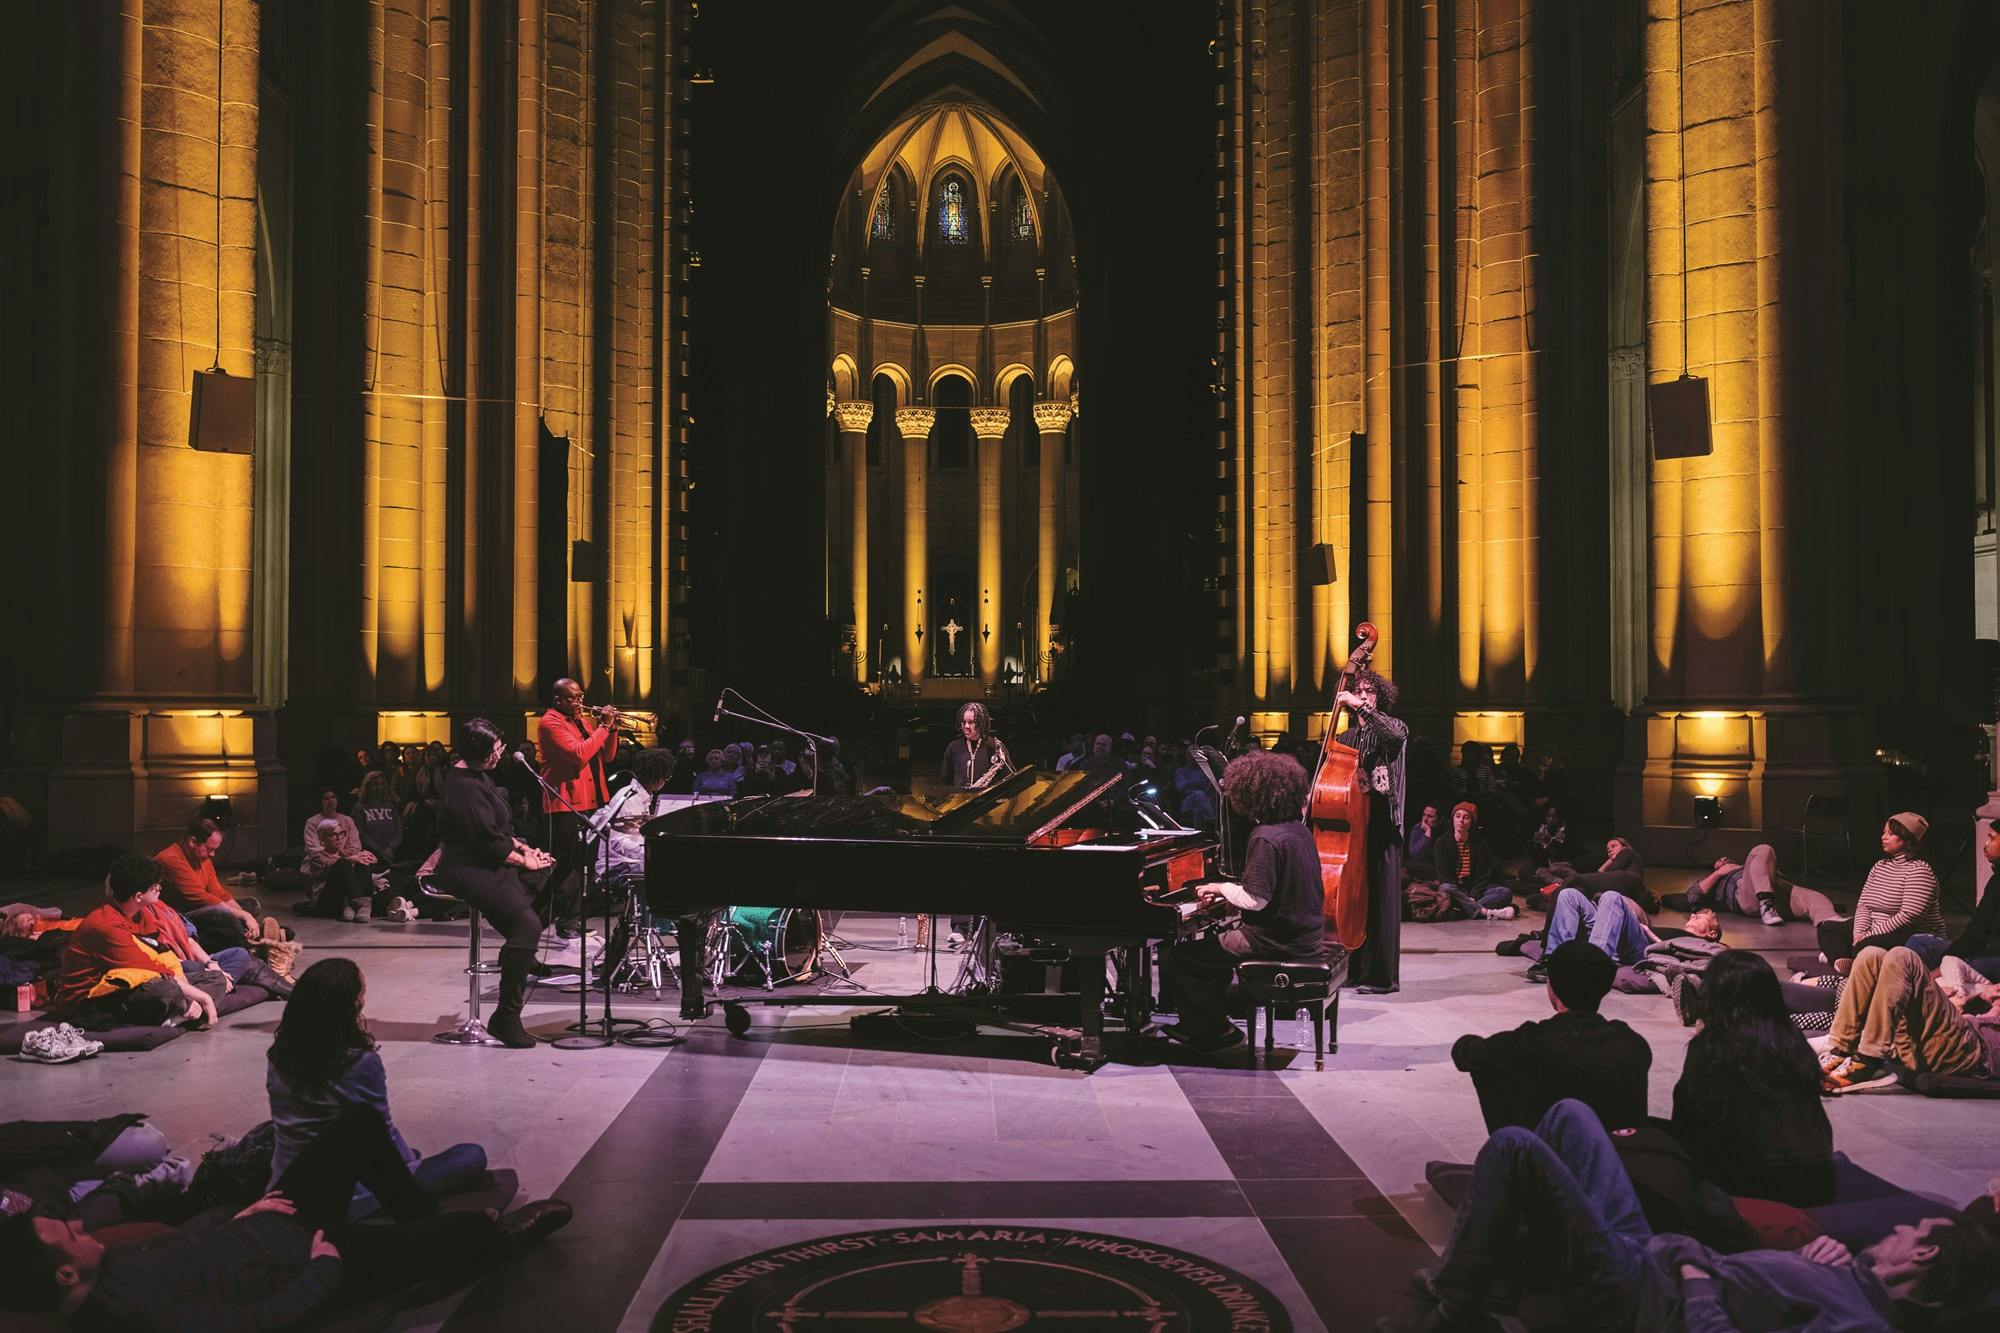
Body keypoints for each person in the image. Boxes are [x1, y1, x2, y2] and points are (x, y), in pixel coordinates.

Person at [1385, 1097, 1998, 1332]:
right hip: (1654, 1253)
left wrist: (1699, 1283)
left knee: (1515, 1146)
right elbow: (1771, 1290)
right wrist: (1812, 1261)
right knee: (1573, 1113)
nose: (1896, 1231)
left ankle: (1454, 1303)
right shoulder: (1848, 1278)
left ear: (1924, 1256)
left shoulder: (1860, 1324)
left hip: (1641, 1294)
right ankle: (1509, 1266)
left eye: (1911, 1232)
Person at [0, 1105, 573, 1329]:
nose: (78, 1225)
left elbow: (189, 1250)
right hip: (314, 1254)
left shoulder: (108, 1268)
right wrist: (325, 1266)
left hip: (270, 1222)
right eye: (66, 1234)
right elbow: (262, 1321)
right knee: (469, 1231)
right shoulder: (136, 1314)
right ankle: (495, 1241)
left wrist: (241, 1218)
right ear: (64, 1274)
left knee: (355, 1125)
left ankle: (412, 1215)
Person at [268, 959, 486, 1210]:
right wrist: (408, 1168)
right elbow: (381, 1133)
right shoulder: (358, 1063)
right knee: (471, 1155)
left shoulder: (278, 1055)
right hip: (350, 1192)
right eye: (361, 995)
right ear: (351, 1005)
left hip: (286, 1181)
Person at [1161, 749, 1325, 1054]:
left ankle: (1210, 1031)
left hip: (1274, 941)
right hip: (1304, 935)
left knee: (1185, 957)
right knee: (1213, 949)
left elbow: (1255, 900)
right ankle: (1213, 1020)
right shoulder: (1298, 831)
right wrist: (1226, 889)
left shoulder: (1265, 836)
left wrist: (1219, 887)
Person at [1669, 950, 1835, 1206]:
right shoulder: (1793, 1041)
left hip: (1755, 1187)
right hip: (1818, 1181)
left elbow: (1689, 1121)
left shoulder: (1712, 1047)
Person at [431, 717, 557, 1049]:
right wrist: (521, 859)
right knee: (527, 927)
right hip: (466, 868)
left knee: (557, 879)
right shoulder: (464, 787)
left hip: (486, 860)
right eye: (497, 749)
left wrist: (523, 848)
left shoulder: (478, 777)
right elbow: (485, 840)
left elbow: (499, 830)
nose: (501, 753)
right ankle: (506, 1018)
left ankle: (517, 951)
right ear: (482, 751)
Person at [1451, 939, 1651, 1134]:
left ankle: (1515, 1147)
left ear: (1552, 987)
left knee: (1488, 1064)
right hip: (1617, 1156)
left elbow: (1463, 1052)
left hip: (1550, 1157)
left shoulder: (1530, 1042)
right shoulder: (1632, 1043)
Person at [50, 855, 221, 1029]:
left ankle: (182, 1013)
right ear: (139, 896)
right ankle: (184, 1012)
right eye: (155, 887)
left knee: (215, 978)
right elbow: (151, 969)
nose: (159, 889)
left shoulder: (142, 914)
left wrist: (192, 994)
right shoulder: (105, 925)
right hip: (92, 1001)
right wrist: (201, 997)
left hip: (135, 981)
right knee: (165, 989)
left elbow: (161, 956)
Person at [1819, 944, 2000, 1094]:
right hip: (1947, 1037)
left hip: (1971, 1052)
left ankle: (1869, 1060)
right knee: (1871, 955)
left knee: (1903, 957)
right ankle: (1839, 1051)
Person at [1332, 666, 1408, 993]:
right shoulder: (1345, 739)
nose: (1364, 696)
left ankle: (1382, 977)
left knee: (1382, 904)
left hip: (1382, 827)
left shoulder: (1392, 728)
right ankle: (1353, 968)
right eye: (1359, 691)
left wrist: (1359, 707)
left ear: (1379, 697)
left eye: (1370, 692)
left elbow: (1393, 736)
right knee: (1355, 902)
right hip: (1352, 830)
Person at [536, 678, 622, 921]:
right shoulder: (550, 723)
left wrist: (612, 729)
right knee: (567, 866)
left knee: (583, 863)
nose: (579, 701)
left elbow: (606, 756)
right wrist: (603, 727)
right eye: (573, 697)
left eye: (580, 696)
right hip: (564, 802)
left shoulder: (581, 721)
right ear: (558, 700)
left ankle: (557, 917)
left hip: (590, 800)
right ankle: (564, 920)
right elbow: (579, 754)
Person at [1815, 814, 1945, 974]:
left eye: (1891, 833)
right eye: (1884, 832)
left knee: (1867, 945)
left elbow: (1909, 915)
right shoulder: (1880, 866)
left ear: (1907, 838)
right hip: (1875, 928)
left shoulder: (1919, 870)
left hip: (1911, 934)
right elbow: (1864, 905)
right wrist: (1859, 933)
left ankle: (1854, 966)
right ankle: (1843, 962)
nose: (1884, 837)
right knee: (1827, 928)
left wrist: (1870, 934)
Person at [151, 814, 261, 954]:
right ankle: (251, 945)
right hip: (178, 917)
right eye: (210, 849)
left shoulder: (202, 859)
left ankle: (247, 935)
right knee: (222, 913)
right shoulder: (171, 860)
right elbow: (203, 898)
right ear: (192, 841)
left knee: (251, 904)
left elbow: (218, 892)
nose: (213, 854)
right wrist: (245, 916)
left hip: (200, 909)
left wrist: (245, 914)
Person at [1906, 823, 2000, 978]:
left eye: (1992, 838)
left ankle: (1925, 987)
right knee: (1919, 943)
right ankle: (1916, 985)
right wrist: (1950, 958)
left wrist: (1950, 964)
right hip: (1981, 948)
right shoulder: (1996, 879)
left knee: (1977, 964)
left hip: (1991, 956)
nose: (1986, 843)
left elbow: (1979, 937)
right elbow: (1976, 932)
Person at [1683, 842, 1841, 928]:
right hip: (1746, 897)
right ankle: (1766, 905)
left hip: (1777, 890)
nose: (1724, 860)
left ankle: (1832, 929)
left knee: (1815, 898)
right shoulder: (1720, 880)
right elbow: (1692, 896)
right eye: (1720, 860)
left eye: (1727, 859)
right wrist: (1719, 873)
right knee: (1763, 849)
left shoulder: (1749, 867)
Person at [1527, 882, 1652, 983]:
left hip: (1631, 943)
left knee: (1611, 896)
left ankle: (1592, 964)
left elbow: (1644, 926)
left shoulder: (1627, 903)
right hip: (1603, 930)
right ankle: (1555, 959)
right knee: (1568, 894)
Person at [1425, 802, 1515, 921]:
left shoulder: (1480, 843)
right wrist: (1462, 894)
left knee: (1505, 892)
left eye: (1466, 817)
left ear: (1471, 822)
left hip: (1473, 890)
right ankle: (1485, 912)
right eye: (1457, 816)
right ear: (1452, 819)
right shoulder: (1442, 843)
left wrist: (1473, 896)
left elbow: (1483, 875)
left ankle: (1465, 909)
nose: (1461, 820)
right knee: (1446, 888)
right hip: (1454, 889)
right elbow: (1444, 876)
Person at [305, 788, 377, 922]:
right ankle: (362, 903)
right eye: (334, 835)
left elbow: (356, 847)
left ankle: (351, 906)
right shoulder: (318, 855)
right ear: (322, 839)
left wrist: (360, 857)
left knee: (364, 864)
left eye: (341, 834)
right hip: (326, 897)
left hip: (342, 894)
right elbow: (328, 864)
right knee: (343, 864)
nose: (339, 838)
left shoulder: (346, 820)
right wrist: (349, 858)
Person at [940, 701, 1010, 788]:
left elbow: (1008, 778)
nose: (966, 726)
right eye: (964, 722)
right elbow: (944, 782)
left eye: (971, 722)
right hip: (961, 799)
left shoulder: (995, 746)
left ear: (981, 723)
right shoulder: (953, 747)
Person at [350, 770, 404, 867]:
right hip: (371, 855)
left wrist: (392, 847)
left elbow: (398, 830)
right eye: (374, 784)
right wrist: (379, 850)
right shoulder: (359, 808)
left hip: (393, 853)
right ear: (367, 786)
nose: (379, 788)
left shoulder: (390, 806)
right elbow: (360, 834)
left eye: (381, 784)